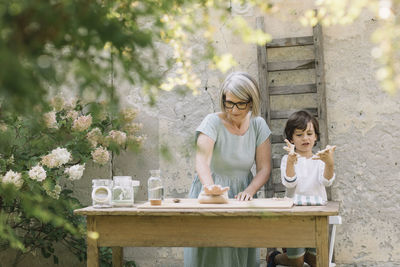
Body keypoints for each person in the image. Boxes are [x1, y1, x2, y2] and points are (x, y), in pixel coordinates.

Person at [184, 71, 272, 267]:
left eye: (240, 103)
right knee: (213, 254)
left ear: (251, 102)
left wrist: (249, 191)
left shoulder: (258, 125)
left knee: (241, 250)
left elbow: (264, 168)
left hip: (243, 193)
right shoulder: (212, 122)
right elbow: (202, 162)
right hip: (211, 192)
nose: (233, 109)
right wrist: (211, 189)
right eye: (229, 102)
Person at [267, 110, 336, 267]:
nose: (305, 138)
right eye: (299, 135)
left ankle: (301, 254)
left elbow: (327, 181)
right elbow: (289, 183)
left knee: (315, 261)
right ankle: (275, 258)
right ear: (291, 139)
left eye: (309, 133)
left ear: (316, 136)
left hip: (316, 217)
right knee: (297, 261)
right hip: (294, 216)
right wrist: (291, 162)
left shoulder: (320, 159)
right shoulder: (287, 159)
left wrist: (329, 163)